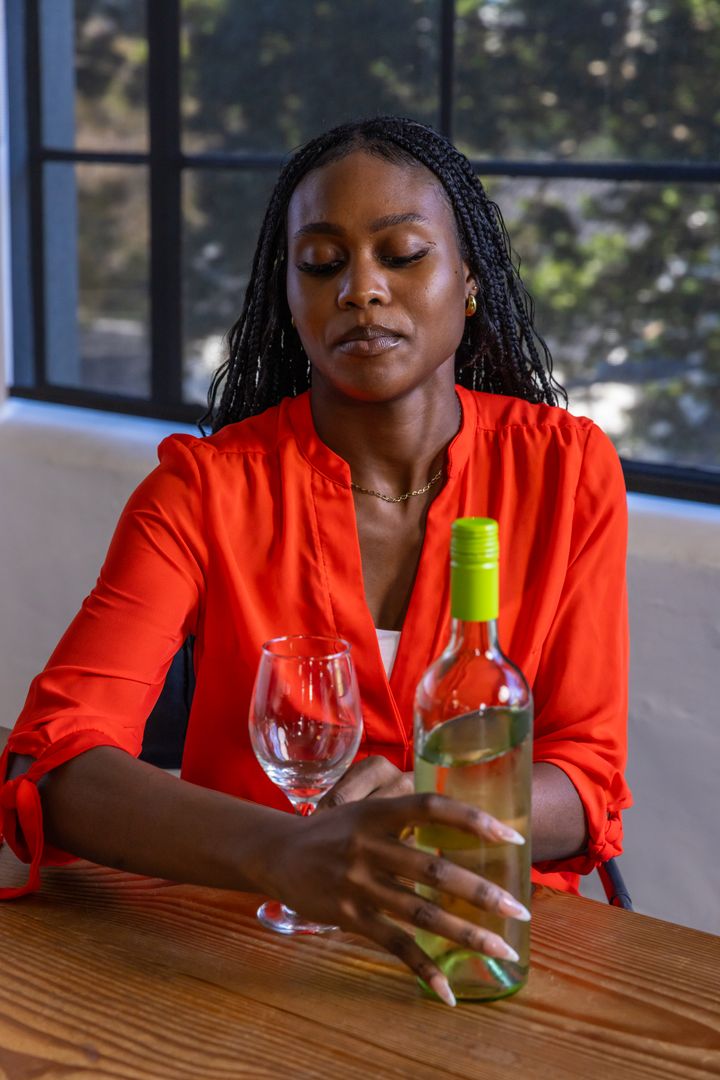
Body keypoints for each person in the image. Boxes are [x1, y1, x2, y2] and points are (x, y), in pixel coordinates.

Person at [0, 116, 631, 1008]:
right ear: (288, 298)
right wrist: (285, 853)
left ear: (472, 283)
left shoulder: (566, 472)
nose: (362, 290)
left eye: (404, 254)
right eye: (323, 263)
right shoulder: (203, 490)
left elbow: (587, 770)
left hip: (486, 950)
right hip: (236, 951)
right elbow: (50, 763)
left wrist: (431, 800)